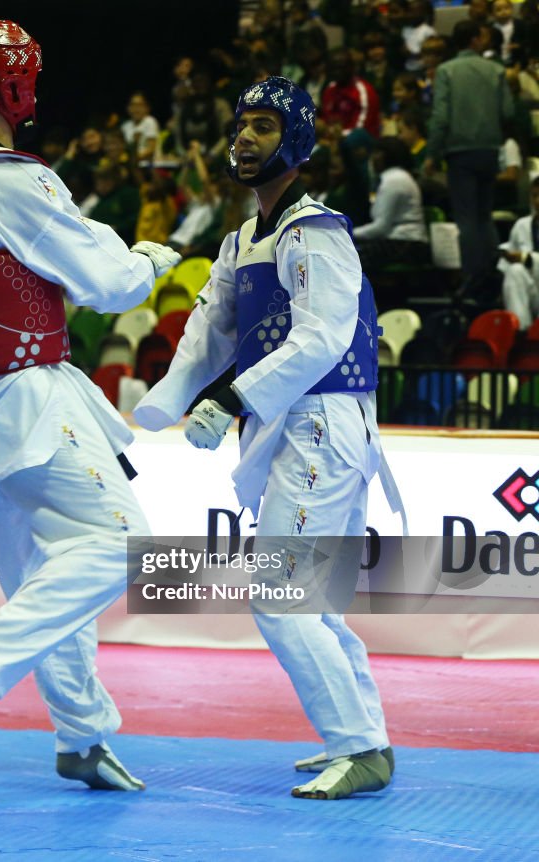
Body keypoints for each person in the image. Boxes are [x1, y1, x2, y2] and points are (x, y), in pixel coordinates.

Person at [0, 19, 180, 791]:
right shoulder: (14, 179)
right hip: (27, 401)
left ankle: (82, 737)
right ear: (13, 86)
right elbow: (107, 283)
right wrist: (148, 258)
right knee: (120, 543)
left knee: (44, 582)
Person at [134, 77, 404, 800]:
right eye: (241, 124)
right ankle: (364, 738)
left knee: (281, 594)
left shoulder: (316, 231)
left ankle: (360, 748)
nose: (245, 137)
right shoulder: (240, 242)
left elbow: (321, 336)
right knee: (313, 602)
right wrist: (158, 409)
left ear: (296, 139)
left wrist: (230, 396)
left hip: (322, 420)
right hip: (290, 423)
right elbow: (210, 334)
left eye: (263, 124)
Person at [426, 19, 515, 302]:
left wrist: (432, 153)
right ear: (475, 39)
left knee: (466, 219)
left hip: (459, 151)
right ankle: (493, 273)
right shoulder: (497, 70)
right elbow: (509, 111)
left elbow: (440, 117)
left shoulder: (446, 71)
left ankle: (473, 279)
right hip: (488, 149)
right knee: (484, 215)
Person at [353, 136, 430, 273]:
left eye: (376, 153)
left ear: (384, 156)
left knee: (349, 258)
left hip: (406, 243)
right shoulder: (396, 177)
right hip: (406, 242)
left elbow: (380, 228)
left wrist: (348, 232)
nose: (373, 159)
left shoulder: (393, 180)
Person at [498, 176, 539, 330]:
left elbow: (524, 258)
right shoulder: (522, 225)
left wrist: (525, 258)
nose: (537, 201)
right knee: (514, 271)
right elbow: (508, 258)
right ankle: (520, 332)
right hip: (531, 290)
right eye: (534, 196)